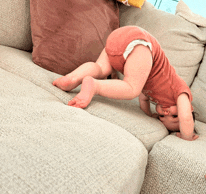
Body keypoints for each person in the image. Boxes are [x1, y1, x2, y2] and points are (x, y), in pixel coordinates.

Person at [53, 26, 198, 141]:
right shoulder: (180, 91)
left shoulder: (157, 92)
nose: (165, 112)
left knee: (101, 68)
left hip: (119, 37)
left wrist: (148, 113)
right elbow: (186, 116)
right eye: (174, 116)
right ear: (188, 108)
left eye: (161, 116)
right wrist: (188, 136)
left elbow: (143, 97)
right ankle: (94, 86)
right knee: (132, 88)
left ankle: (70, 79)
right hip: (141, 43)